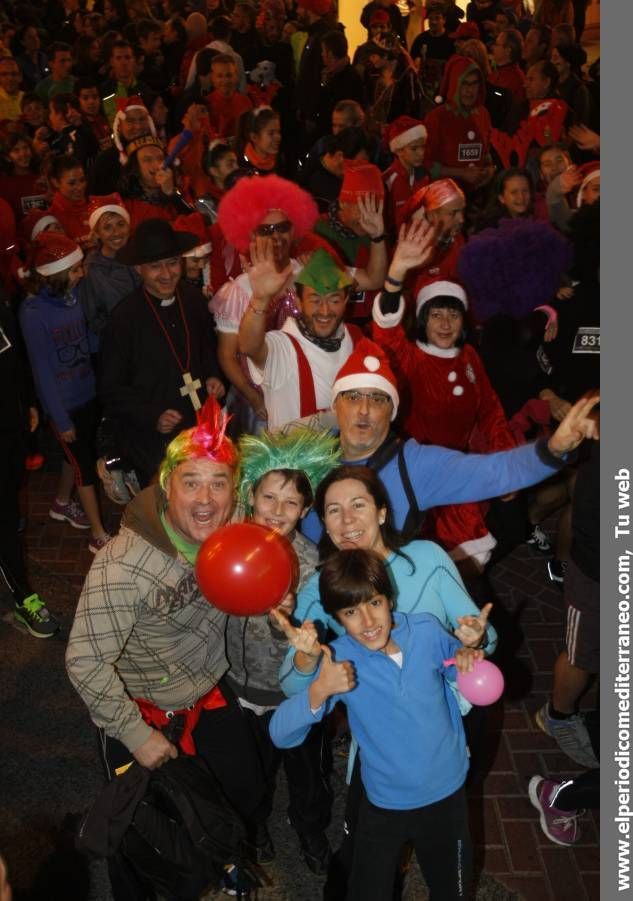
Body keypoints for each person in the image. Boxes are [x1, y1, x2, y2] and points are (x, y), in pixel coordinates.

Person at [65, 397, 267, 898]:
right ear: (166, 484)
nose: (206, 499)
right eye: (191, 482)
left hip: (208, 689)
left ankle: (224, 859)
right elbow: (85, 661)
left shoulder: (236, 526)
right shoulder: (122, 564)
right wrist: (134, 734)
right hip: (143, 710)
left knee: (244, 790)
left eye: (218, 483)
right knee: (143, 839)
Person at [270, 546, 483, 900]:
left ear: (389, 598)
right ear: (337, 618)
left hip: (447, 795)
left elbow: (459, 672)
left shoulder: (428, 631)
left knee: (455, 891)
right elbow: (280, 734)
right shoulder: (339, 660)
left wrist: (469, 653)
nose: (368, 622)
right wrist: (319, 690)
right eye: (351, 612)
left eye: (374, 603)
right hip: (385, 804)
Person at [294, 335, 600, 545]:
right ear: (336, 405)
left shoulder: (415, 465)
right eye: (353, 397)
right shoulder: (305, 456)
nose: (363, 409)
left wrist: (554, 449)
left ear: (393, 412)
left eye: (377, 399)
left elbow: (495, 472)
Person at [225, 426, 341, 872]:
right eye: (269, 497)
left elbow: (318, 639)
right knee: (251, 774)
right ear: (251, 496)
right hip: (237, 685)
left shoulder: (310, 563)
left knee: (307, 773)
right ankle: (254, 829)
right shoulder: (229, 546)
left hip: (293, 697)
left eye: (291, 502)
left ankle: (309, 828)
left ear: (306, 509)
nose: (277, 510)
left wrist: (290, 621)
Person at [372, 236, 515, 571]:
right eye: (436, 315)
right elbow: (386, 332)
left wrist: (505, 461)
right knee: (415, 561)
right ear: (423, 319)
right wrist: (394, 278)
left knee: (468, 559)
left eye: (453, 315)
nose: (446, 324)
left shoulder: (469, 357)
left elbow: (490, 411)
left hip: (458, 473)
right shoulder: (411, 357)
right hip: (412, 476)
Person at [99, 218, 225, 487]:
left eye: (172, 262)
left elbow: (206, 347)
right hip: (153, 438)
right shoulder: (124, 319)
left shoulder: (192, 300)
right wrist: (152, 415)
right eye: (155, 266)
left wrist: (214, 375)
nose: (167, 274)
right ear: (139, 269)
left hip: (199, 425)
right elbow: (111, 389)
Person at [18, 232, 111, 553]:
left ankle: (60, 502)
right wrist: (60, 419)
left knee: (77, 455)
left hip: (87, 393)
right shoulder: (33, 313)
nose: (81, 274)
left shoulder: (71, 298)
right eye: (75, 270)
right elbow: (42, 372)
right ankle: (98, 534)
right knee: (84, 465)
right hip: (64, 405)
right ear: (56, 274)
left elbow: (86, 341)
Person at [211, 173, 318, 436]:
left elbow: (371, 279)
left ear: (294, 230)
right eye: (266, 230)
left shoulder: (306, 273)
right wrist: (255, 398)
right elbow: (227, 355)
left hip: (300, 391)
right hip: (256, 402)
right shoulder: (238, 290)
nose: (276, 237)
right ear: (251, 236)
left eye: (282, 227)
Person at [238, 247, 361, 429]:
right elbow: (249, 347)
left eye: (334, 300)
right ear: (298, 301)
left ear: (345, 300)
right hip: (289, 456)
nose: (325, 311)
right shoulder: (284, 347)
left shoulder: (354, 338)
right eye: (315, 300)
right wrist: (259, 300)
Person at [422, 56, 495, 195]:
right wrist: (461, 173)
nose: (470, 91)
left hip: (480, 195)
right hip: (445, 197)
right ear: (454, 84)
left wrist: (490, 168)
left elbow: (486, 151)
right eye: (464, 84)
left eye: (474, 84)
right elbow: (425, 164)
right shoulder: (436, 118)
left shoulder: (482, 114)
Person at [78, 193, 141, 341]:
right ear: (97, 233)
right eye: (107, 227)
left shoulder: (140, 257)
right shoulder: (92, 270)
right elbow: (93, 319)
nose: (116, 232)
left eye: (120, 224)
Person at [381, 116, 428, 236]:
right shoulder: (387, 180)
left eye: (423, 146)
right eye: (414, 148)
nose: (421, 153)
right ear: (398, 150)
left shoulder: (424, 175)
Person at [0, 55, 24, 121]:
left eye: (14, 74)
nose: (10, 78)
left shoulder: (28, 99)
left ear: (20, 76)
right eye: (4, 74)